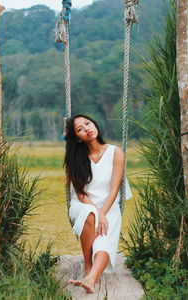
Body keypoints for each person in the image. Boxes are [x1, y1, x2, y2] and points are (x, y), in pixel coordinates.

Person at [64, 114, 132, 293]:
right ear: (77, 137)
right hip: (83, 204)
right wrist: (98, 212)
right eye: (80, 129)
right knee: (90, 213)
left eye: (87, 123)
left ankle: (91, 279)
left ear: (94, 123)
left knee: (104, 242)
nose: (86, 128)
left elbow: (114, 189)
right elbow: (80, 194)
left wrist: (103, 212)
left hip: (109, 204)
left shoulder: (116, 152)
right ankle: (88, 266)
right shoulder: (76, 158)